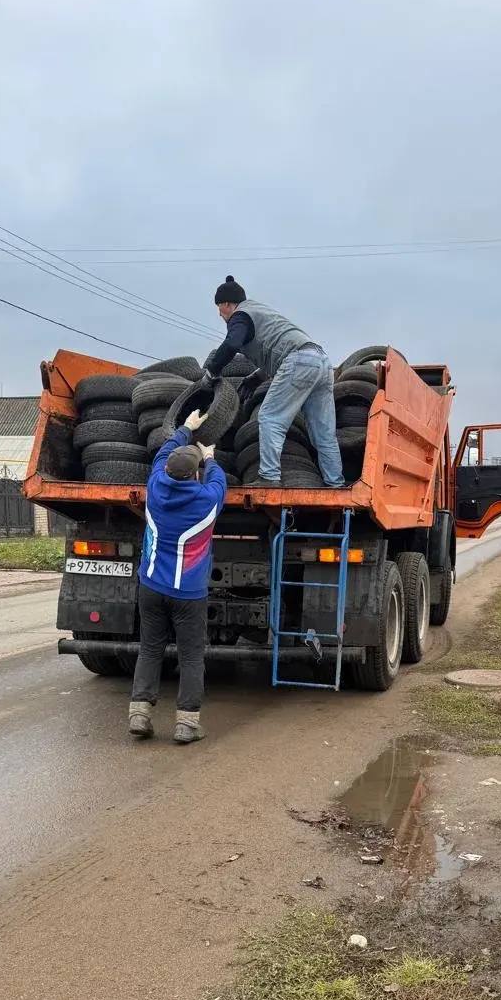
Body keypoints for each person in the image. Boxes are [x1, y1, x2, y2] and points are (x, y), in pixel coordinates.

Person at [128, 411, 227, 744]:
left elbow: (162, 453)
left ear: (168, 470)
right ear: (195, 475)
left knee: (150, 649)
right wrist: (209, 457)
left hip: (151, 586)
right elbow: (218, 482)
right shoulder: (206, 500)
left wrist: (186, 428)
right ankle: (187, 724)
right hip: (188, 593)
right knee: (191, 656)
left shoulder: (155, 485)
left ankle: (139, 714)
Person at [200, 275, 345, 489]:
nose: (219, 314)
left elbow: (231, 345)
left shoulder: (240, 316)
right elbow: (277, 347)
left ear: (227, 304)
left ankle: (269, 478)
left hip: (299, 361)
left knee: (269, 417)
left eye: (219, 307)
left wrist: (212, 372)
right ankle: (336, 484)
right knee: (323, 434)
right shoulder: (259, 312)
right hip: (321, 362)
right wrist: (257, 376)